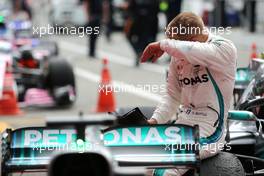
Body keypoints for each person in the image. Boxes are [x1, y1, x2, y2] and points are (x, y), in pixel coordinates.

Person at [141, 12, 237, 176]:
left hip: (210, 127)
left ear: (192, 41)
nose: (172, 51)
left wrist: (161, 44)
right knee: (146, 166)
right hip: (183, 122)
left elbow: (195, 51)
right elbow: (172, 96)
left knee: (167, 171)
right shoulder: (178, 54)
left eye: (174, 42)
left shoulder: (224, 48)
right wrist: (154, 121)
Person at [125, 0, 159, 66]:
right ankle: (139, 52)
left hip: (142, 21)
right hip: (141, 21)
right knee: (139, 38)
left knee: (143, 39)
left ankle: (140, 52)